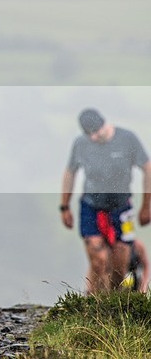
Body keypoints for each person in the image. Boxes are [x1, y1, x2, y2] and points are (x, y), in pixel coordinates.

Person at [60, 108, 151, 294]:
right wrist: (64, 206)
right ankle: (92, 301)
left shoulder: (127, 139)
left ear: (104, 124)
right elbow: (70, 172)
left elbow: (148, 168)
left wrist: (146, 206)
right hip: (91, 205)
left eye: (96, 132)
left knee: (120, 261)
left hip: (121, 206)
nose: (93, 137)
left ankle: (114, 301)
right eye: (89, 134)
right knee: (98, 257)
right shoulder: (81, 144)